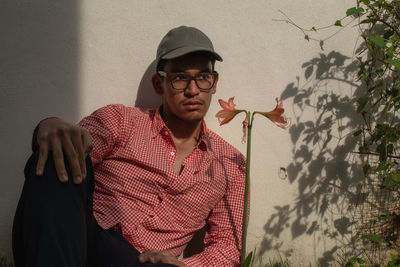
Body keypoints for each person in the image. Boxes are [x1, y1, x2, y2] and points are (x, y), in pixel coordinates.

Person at [12, 25, 246, 267]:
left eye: (203, 77)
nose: (193, 90)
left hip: (141, 260)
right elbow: (68, 164)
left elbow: (229, 246)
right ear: (158, 84)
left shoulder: (231, 164)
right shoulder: (121, 121)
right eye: (179, 78)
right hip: (77, 237)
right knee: (63, 151)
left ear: (214, 82)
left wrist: (185, 265)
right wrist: (49, 125)